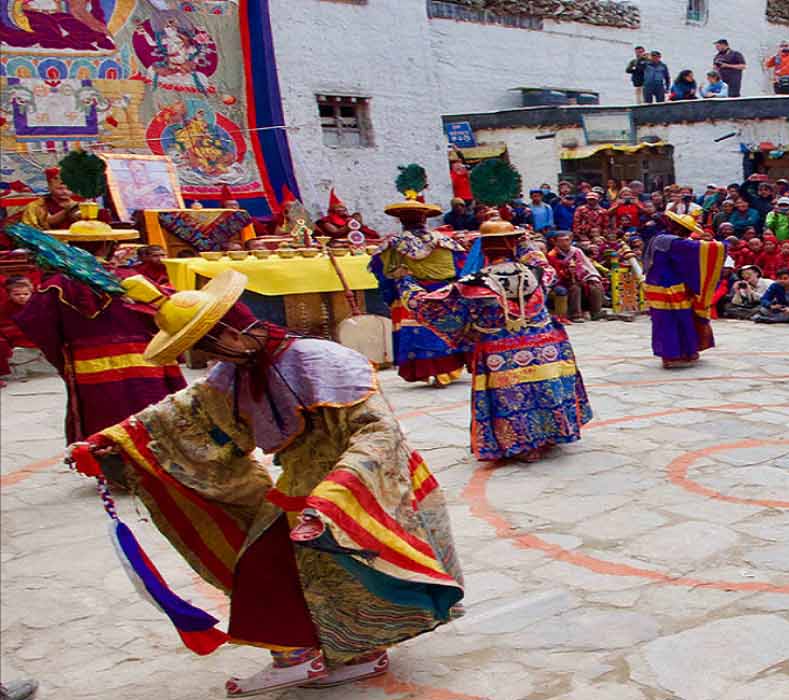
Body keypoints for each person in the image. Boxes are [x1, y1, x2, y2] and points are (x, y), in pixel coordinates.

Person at [70, 270, 466, 697]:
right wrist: (118, 439)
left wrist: (336, 494)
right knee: (275, 567)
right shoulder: (236, 370)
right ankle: (340, 653)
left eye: (206, 342)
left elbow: (379, 433)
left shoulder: (322, 362)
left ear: (232, 333)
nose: (202, 354)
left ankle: (320, 655)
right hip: (300, 482)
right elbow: (190, 412)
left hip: (357, 483)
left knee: (288, 568)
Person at [400, 239, 590, 462]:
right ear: (514, 248)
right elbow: (545, 265)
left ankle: (523, 445)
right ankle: (554, 433)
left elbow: (430, 305)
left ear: (485, 251)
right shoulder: (538, 274)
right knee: (547, 388)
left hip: (500, 353)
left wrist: (406, 284)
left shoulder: (473, 283)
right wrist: (524, 244)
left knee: (512, 398)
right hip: (545, 346)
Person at [8, 224, 187, 444]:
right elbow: (167, 314)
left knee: (105, 417)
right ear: (108, 245)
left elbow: (35, 322)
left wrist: (63, 352)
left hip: (91, 366)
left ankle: (110, 466)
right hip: (146, 361)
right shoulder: (131, 279)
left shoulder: (56, 285)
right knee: (150, 415)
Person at [368, 192, 468, 386]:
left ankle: (429, 371)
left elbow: (382, 272)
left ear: (401, 220)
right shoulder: (445, 241)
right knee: (446, 328)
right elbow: (461, 266)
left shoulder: (393, 245)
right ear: (424, 218)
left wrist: (392, 291)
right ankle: (448, 370)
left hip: (411, 293)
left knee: (420, 330)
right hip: (445, 291)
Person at [647, 213, 727, 368]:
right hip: (669, 286)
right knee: (673, 320)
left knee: (671, 320)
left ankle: (684, 351)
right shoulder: (673, 242)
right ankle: (672, 355)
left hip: (659, 284)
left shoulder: (660, 237)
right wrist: (722, 244)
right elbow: (698, 250)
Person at [18, 167, 110, 230]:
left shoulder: (78, 204)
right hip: (50, 243)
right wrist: (68, 211)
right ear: (49, 187)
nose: (65, 192)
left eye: (69, 189)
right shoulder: (37, 206)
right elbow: (47, 222)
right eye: (59, 188)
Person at [549, 231, 607, 323]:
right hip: (562, 281)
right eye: (561, 241)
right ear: (555, 242)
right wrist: (568, 273)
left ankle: (596, 312)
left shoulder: (576, 251)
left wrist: (589, 277)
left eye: (567, 240)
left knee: (595, 286)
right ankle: (575, 314)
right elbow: (555, 272)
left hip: (580, 277)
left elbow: (586, 266)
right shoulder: (552, 255)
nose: (565, 243)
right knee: (575, 288)